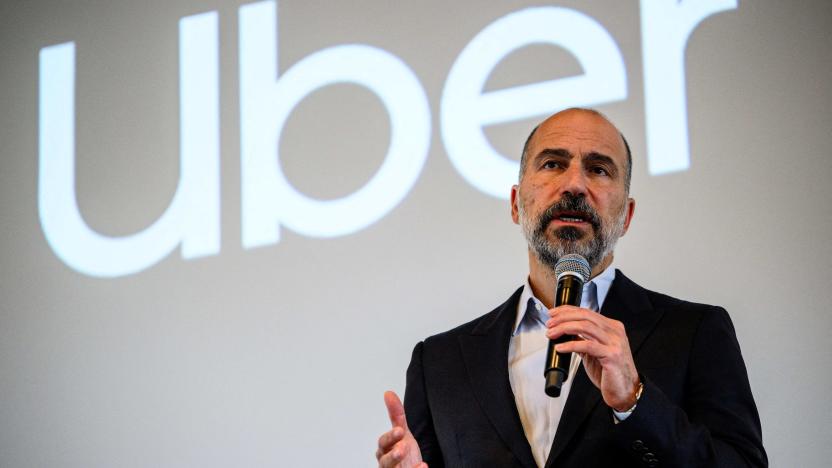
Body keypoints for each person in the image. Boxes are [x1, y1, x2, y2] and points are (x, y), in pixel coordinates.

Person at [375, 108, 766, 467]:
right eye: (552, 164)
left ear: (626, 216)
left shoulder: (695, 332)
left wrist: (635, 401)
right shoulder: (440, 362)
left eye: (598, 169)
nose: (574, 184)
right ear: (515, 204)